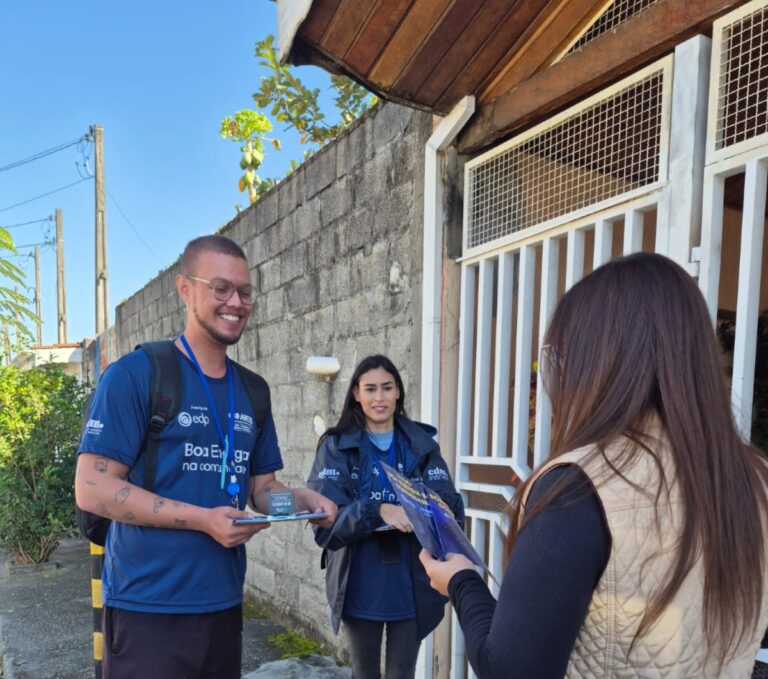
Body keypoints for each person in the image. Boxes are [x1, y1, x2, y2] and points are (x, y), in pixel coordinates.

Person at [420, 252, 768, 678]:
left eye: (559, 355)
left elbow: (510, 669)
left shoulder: (579, 486)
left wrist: (460, 581)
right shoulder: (755, 478)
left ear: (595, 361)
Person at [75, 234, 337, 679]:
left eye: (245, 292)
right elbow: (92, 488)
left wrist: (303, 502)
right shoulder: (137, 374)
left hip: (222, 606)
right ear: (185, 288)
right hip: (148, 608)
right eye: (220, 288)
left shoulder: (253, 390)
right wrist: (202, 519)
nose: (236, 302)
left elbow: (261, 491)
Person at [307, 355, 464, 679]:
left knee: (402, 672)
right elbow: (325, 524)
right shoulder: (336, 447)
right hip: (359, 576)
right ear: (356, 394)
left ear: (398, 393)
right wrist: (375, 510)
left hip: (412, 579)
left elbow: (447, 505)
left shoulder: (422, 445)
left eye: (387, 388)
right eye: (370, 389)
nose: (379, 397)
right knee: (364, 672)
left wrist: (436, 507)